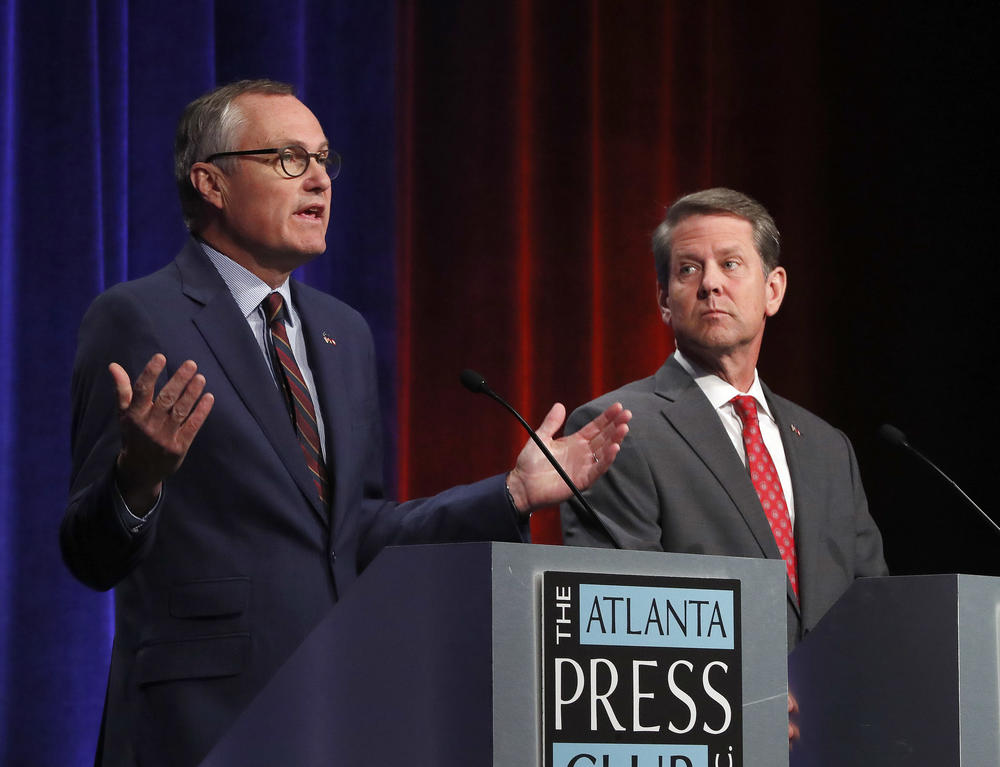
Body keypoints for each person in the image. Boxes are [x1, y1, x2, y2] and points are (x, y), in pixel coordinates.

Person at [61, 79, 631, 767]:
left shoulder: (342, 332)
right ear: (210, 182)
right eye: (289, 159)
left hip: (339, 711)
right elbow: (87, 552)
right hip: (201, 724)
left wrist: (510, 492)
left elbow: (357, 531)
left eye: (326, 159)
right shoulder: (139, 316)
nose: (320, 181)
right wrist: (138, 481)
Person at [560, 187, 887, 654]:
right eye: (689, 269)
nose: (710, 283)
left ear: (773, 290)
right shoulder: (620, 429)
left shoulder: (827, 446)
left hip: (836, 718)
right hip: (708, 716)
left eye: (730, 264)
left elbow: (871, 600)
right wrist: (753, 694)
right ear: (664, 301)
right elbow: (621, 614)